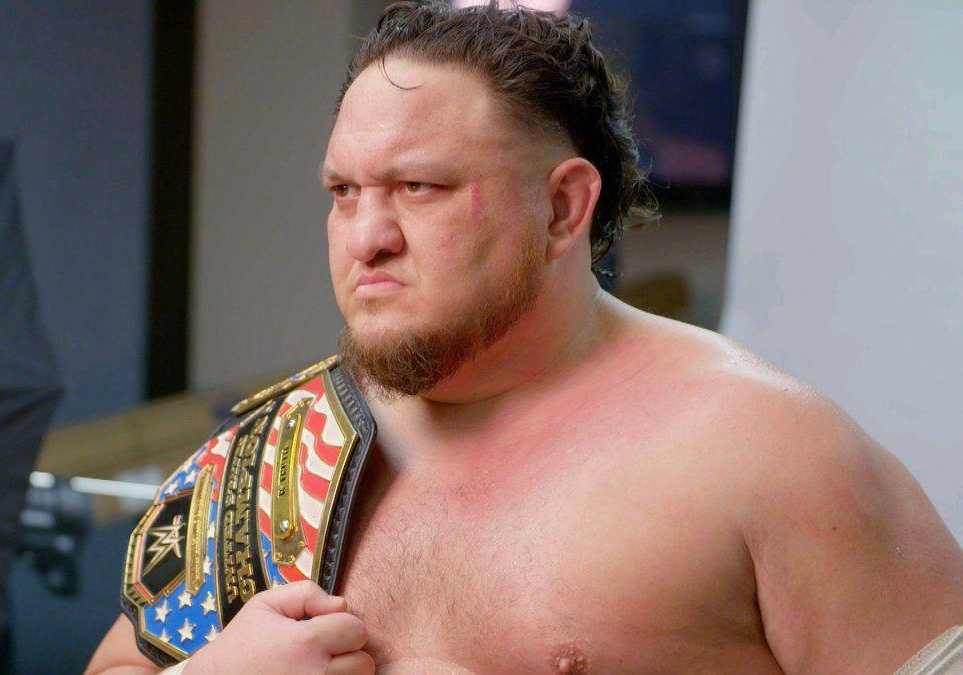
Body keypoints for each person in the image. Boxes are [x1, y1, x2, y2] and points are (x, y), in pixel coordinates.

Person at [87, 2, 963, 673]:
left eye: (419, 187)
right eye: (344, 192)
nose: (366, 237)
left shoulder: (772, 454)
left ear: (563, 207)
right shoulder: (268, 457)